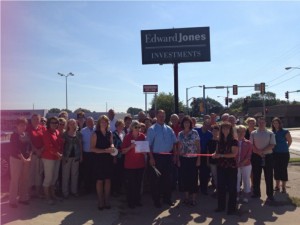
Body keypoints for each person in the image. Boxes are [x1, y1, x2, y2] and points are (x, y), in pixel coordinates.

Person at [146, 109, 177, 208]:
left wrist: (175, 156)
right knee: (156, 181)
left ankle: (167, 199)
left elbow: (174, 143)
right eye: (160, 116)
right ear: (156, 116)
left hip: (168, 156)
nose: (162, 118)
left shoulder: (169, 129)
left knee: (168, 179)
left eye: (163, 116)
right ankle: (156, 200)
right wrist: (151, 158)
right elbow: (148, 145)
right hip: (156, 157)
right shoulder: (152, 129)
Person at [213, 122, 238, 215]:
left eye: (227, 128)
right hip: (221, 166)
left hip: (231, 167)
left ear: (230, 130)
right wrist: (215, 155)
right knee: (221, 187)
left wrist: (221, 155)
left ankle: (232, 208)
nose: (225, 130)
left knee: (232, 188)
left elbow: (234, 154)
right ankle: (221, 206)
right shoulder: (219, 140)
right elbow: (216, 151)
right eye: (223, 128)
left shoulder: (234, 141)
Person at [91, 115, 115, 210]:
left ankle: (107, 200)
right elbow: (92, 148)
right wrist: (105, 150)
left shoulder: (110, 133)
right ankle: (100, 201)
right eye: (102, 121)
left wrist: (112, 146)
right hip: (98, 160)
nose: (104, 123)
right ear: (99, 123)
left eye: (105, 121)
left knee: (108, 180)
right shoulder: (95, 134)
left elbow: (111, 142)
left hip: (108, 160)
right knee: (100, 180)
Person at [250, 117, 276, 202]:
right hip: (256, 157)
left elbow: (272, 145)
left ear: (265, 123)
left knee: (268, 176)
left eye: (263, 122)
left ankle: (270, 194)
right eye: (260, 122)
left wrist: (262, 151)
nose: (261, 124)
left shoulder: (270, 133)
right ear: (258, 123)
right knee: (256, 176)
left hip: (268, 156)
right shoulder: (253, 133)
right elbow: (251, 145)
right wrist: (258, 152)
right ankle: (256, 193)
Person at [121, 121, 147, 208]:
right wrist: (130, 147)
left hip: (140, 165)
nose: (137, 128)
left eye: (139, 127)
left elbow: (145, 149)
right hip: (130, 165)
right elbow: (123, 151)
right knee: (131, 184)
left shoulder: (142, 136)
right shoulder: (127, 137)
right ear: (132, 127)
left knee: (138, 184)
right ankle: (130, 202)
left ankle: (137, 200)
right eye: (136, 127)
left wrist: (144, 152)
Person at [177, 116, 200, 206]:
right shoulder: (180, 134)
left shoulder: (194, 133)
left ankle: (193, 199)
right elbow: (179, 147)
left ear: (190, 124)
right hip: (183, 159)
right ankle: (186, 197)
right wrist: (178, 159)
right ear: (182, 124)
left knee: (193, 178)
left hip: (193, 159)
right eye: (185, 122)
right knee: (185, 178)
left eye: (188, 122)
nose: (186, 124)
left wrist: (198, 159)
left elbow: (198, 147)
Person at [9, 117, 32, 208]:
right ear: (17, 125)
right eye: (21, 125)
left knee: (24, 179)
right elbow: (16, 149)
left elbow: (29, 147)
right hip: (16, 159)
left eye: (25, 125)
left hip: (26, 160)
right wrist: (23, 159)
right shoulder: (14, 135)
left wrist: (29, 157)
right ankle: (12, 200)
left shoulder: (26, 135)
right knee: (15, 180)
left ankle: (23, 198)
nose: (23, 127)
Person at [41, 117, 63, 205]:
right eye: (52, 122)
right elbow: (48, 146)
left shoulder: (57, 132)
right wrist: (58, 154)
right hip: (48, 158)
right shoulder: (46, 133)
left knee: (54, 177)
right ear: (49, 123)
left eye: (56, 122)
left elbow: (59, 145)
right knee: (48, 178)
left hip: (57, 157)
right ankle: (47, 197)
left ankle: (53, 195)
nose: (54, 124)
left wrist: (60, 154)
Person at [62, 119, 83, 198]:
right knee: (65, 175)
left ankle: (74, 191)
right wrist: (63, 157)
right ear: (68, 125)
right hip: (66, 157)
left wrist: (81, 156)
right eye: (70, 123)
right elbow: (62, 146)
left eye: (74, 123)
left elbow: (80, 145)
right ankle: (65, 192)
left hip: (76, 157)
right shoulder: (65, 134)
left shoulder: (79, 134)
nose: (72, 125)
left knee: (75, 175)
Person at [27, 114, 46, 198]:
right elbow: (29, 140)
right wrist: (35, 150)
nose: (35, 120)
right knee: (30, 173)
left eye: (37, 119)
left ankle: (38, 193)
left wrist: (41, 150)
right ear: (31, 120)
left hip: (41, 154)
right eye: (34, 119)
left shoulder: (43, 128)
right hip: (32, 154)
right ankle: (29, 193)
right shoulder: (28, 128)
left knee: (39, 174)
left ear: (40, 120)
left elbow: (46, 140)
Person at [272, 117, 292, 193]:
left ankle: (283, 186)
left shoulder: (285, 131)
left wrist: (285, 148)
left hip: (284, 154)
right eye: (274, 123)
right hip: (275, 154)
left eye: (277, 123)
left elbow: (289, 141)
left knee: (283, 169)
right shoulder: (272, 132)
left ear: (280, 124)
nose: (275, 124)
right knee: (276, 169)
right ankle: (277, 186)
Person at [195, 119, 213, 195]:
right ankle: (194, 188)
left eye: (208, 125)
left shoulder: (210, 134)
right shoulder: (196, 131)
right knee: (194, 172)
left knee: (204, 173)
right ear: (203, 124)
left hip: (205, 154)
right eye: (206, 124)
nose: (207, 126)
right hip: (195, 154)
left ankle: (203, 188)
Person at [236, 125, 252, 203]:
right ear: (237, 132)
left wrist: (242, 163)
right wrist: (236, 163)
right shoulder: (234, 141)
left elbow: (249, 155)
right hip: (235, 164)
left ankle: (246, 195)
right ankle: (237, 194)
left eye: (243, 131)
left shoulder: (248, 143)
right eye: (239, 131)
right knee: (237, 180)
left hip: (246, 165)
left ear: (245, 132)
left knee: (246, 180)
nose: (241, 133)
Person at [80, 117, 95, 194]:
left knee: (94, 171)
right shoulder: (83, 131)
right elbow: (81, 144)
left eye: (91, 121)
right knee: (87, 172)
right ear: (86, 122)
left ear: (93, 122)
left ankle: (93, 188)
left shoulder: (96, 130)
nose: (90, 123)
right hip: (86, 154)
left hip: (95, 154)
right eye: (88, 121)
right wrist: (81, 155)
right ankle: (87, 188)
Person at [112, 119, 125, 196]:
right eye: (119, 125)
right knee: (115, 174)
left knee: (121, 174)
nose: (121, 127)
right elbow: (113, 147)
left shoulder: (123, 133)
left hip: (123, 156)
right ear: (116, 126)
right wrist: (114, 158)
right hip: (116, 157)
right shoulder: (113, 134)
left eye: (122, 125)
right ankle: (114, 190)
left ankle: (119, 189)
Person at [206, 124, 220, 195]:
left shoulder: (221, 141)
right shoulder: (209, 141)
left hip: (220, 161)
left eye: (216, 131)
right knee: (214, 176)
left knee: (220, 176)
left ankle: (220, 190)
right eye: (213, 131)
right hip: (212, 162)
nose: (215, 132)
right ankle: (217, 190)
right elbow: (208, 152)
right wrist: (208, 161)